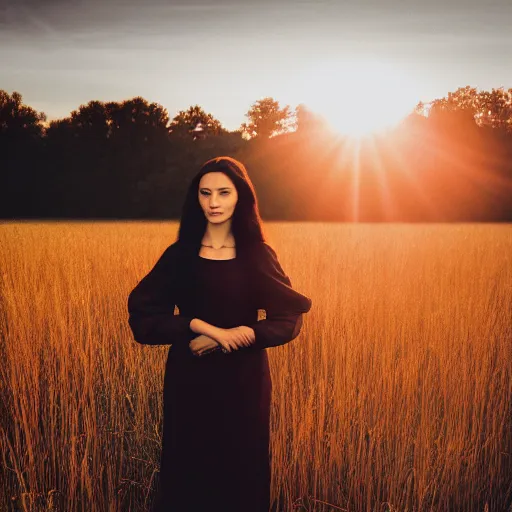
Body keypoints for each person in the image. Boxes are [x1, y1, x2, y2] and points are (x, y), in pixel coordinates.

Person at [127, 156, 312, 511]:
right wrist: (198, 326)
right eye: (205, 193)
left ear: (240, 197)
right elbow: (143, 316)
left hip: (244, 381)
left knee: (242, 466)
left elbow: (289, 316)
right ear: (195, 199)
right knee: (188, 466)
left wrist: (240, 333)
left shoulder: (257, 255)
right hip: (189, 380)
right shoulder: (179, 256)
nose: (213, 202)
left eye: (224, 193)